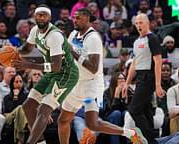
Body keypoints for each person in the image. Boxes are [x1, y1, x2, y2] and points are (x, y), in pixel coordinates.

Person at [58, 8, 147, 144]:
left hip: (91, 84)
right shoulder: (73, 34)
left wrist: (73, 52)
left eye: (78, 18)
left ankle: (130, 133)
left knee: (93, 124)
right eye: (74, 18)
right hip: (76, 82)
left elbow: (93, 68)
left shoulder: (93, 38)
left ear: (87, 19)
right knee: (63, 120)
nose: (74, 20)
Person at [12, 5, 79, 144]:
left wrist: (28, 65)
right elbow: (27, 48)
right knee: (28, 106)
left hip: (66, 74)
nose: (41, 17)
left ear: (49, 18)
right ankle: (41, 142)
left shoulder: (54, 35)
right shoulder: (35, 30)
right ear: (35, 17)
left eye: (44, 15)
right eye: (39, 15)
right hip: (51, 73)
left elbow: (56, 66)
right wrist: (14, 52)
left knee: (44, 109)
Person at [122, 13, 164, 144]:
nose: (139, 25)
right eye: (137, 23)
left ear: (148, 23)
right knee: (146, 111)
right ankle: (153, 137)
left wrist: (157, 84)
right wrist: (126, 83)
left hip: (149, 77)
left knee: (134, 109)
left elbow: (158, 61)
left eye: (141, 22)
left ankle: (150, 141)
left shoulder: (152, 38)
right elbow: (134, 63)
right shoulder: (136, 41)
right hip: (140, 77)